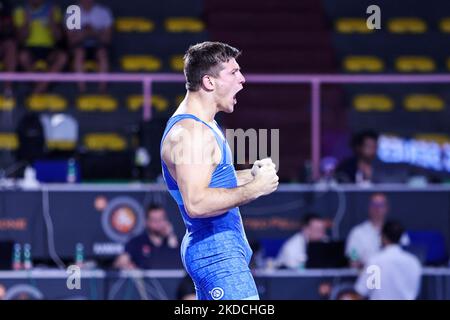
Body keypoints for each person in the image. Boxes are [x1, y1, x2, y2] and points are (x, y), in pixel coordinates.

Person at [160, 41, 279, 300]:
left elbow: (210, 181)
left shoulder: (205, 125)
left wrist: (251, 175)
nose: (243, 79)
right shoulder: (191, 134)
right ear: (209, 82)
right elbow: (197, 202)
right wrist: (255, 189)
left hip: (217, 250)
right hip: (217, 253)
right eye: (234, 73)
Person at [354, 220, 422, 300]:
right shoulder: (414, 262)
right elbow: (352, 252)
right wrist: (354, 260)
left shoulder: (376, 262)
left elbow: (361, 292)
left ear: (383, 237)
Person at [13, 0, 67, 93]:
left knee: (62, 57)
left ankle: (38, 89)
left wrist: (51, 21)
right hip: (30, 48)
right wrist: (27, 22)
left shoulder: (53, 10)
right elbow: (21, 38)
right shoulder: (20, 11)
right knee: (22, 57)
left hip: (49, 48)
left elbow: (58, 37)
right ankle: (41, 87)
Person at [114, 203, 182, 269]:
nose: (158, 223)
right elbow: (119, 263)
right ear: (147, 222)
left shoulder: (175, 242)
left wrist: (171, 236)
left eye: (161, 219)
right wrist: (126, 265)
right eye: (154, 220)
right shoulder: (136, 243)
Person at [67, 0, 113, 93]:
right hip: (78, 47)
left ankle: (102, 90)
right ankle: (82, 90)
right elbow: (71, 40)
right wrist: (85, 33)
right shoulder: (73, 11)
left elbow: (107, 39)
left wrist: (93, 33)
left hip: (98, 46)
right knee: (79, 53)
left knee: (102, 53)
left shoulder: (103, 12)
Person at [345, 192, 389, 268]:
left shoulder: (395, 231)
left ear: (386, 208)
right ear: (369, 207)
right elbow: (353, 255)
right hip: (367, 274)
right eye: (374, 205)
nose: (377, 208)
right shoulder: (357, 232)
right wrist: (357, 261)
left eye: (381, 205)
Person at [0, 0, 16, 96]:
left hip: (3, 42)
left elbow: (8, 26)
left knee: (10, 46)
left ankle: (7, 90)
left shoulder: (5, 4)